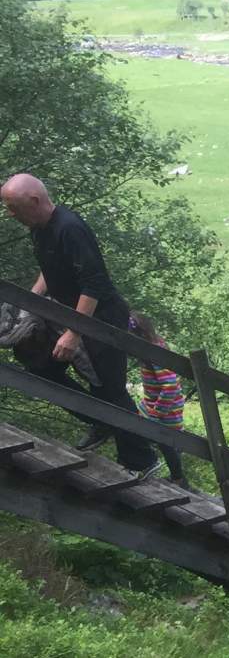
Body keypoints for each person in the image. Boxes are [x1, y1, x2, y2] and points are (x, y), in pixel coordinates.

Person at [3, 173, 159, 478]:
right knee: (40, 365)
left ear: (34, 201)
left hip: (103, 320)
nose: (10, 214)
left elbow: (93, 283)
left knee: (111, 389)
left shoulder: (70, 228)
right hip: (69, 314)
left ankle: (142, 461)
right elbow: (50, 268)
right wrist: (30, 302)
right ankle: (99, 421)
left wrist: (75, 332)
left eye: (14, 207)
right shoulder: (39, 229)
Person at [127, 314, 188, 487]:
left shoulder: (155, 355)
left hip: (165, 409)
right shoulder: (153, 349)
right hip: (154, 404)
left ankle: (177, 478)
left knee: (166, 442)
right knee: (139, 427)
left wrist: (158, 412)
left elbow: (170, 385)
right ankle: (172, 475)